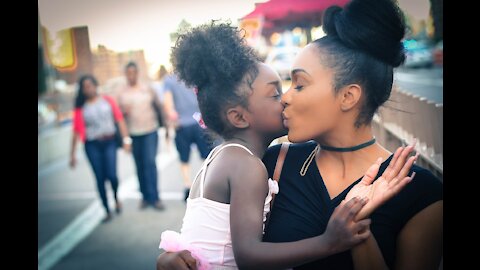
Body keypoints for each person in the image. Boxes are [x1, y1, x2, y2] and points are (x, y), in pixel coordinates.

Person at [156, 21, 417, 270]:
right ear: (238, 117)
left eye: (298, 85)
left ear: (349, 96)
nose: (286, 99)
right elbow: (247, 255)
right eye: (275, 94)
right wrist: (328, 242)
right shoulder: (253, 166)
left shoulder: (224, 158)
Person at [70, 74, 131, 222]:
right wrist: (72, 154)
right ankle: (106, 209)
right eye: (85, 87)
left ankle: (116, 198)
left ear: (96, 86)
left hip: (109, 142)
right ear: (82, 90)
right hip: (92, 145)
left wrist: (126, 139)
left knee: (112, 175)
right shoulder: (81, 108)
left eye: (90, 85)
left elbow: (119, 119)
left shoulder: (107, 100)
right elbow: (76, 131)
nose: (88, 89)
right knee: (100, 178)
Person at [115, 61, 165, 210]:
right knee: (139, 165)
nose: (131, 76)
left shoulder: (147, 88)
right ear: (125, 75)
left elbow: (159, 106)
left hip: (150, 130)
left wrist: (166, 125)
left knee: (150, 162)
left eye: (133, 72)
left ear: (137, 73)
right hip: (133, 134)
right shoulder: (121, 92)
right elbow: (118, 115)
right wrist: (124, 113)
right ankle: (145, 197)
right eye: (128, 73)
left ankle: (155, 198)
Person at [162, 72, 214, 201]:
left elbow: (167, 103)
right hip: (199, 122)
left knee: (184, 159)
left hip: (182, 125)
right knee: (206, 157)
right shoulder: (195, 74)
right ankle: (206, 185)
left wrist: (172, 116)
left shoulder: (169, 80)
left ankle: (187, 185)